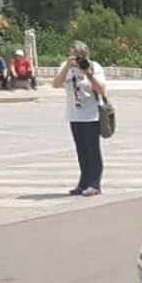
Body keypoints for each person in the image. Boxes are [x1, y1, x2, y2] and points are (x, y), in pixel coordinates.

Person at [51, 40, 107, 196]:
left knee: (92, 150)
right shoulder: (66, 67)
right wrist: (67, 67)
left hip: (91, 115)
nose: (77, 59)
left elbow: (101, 90)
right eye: (74, 55)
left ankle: (95, 184)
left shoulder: (94, 67)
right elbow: (56, 84)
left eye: (80, 56)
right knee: (81, 151)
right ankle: (83, 183)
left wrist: (88, 73)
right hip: (74, 115)